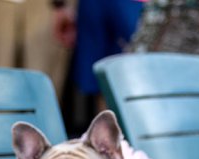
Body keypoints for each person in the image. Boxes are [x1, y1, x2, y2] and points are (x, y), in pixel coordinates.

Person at [51, 0, 145, 133]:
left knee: (135, 69)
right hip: (94, 6)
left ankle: (134, 141)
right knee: (100, 75)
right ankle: (108, 138)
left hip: (133, 5)